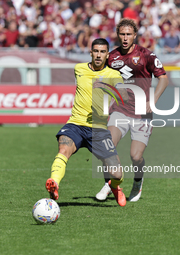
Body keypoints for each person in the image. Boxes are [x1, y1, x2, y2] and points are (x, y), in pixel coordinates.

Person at [46, 38, 127, 207]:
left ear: (107, 55)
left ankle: (115, 187)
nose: (98, 55)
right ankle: (54, 183)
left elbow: (123, 96)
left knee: (117, 173)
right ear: (90, 53)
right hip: (75, 124)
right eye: (95, 51)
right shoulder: (79, 69)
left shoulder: (113, 75)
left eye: (102, 52)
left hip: (98, 128)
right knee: (63, 149)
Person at [95, 18, 168, 202]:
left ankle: (138, 181)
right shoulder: (111, 57)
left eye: (129, 34)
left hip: (142, 114)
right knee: (107, 147)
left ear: (135, 35)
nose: (125, 37)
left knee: (136, 156)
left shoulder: (146, 55)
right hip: (119, 110)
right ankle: (109, 184)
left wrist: (153, 100)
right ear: (118, 35)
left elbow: (164, 79)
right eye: (122, 34)